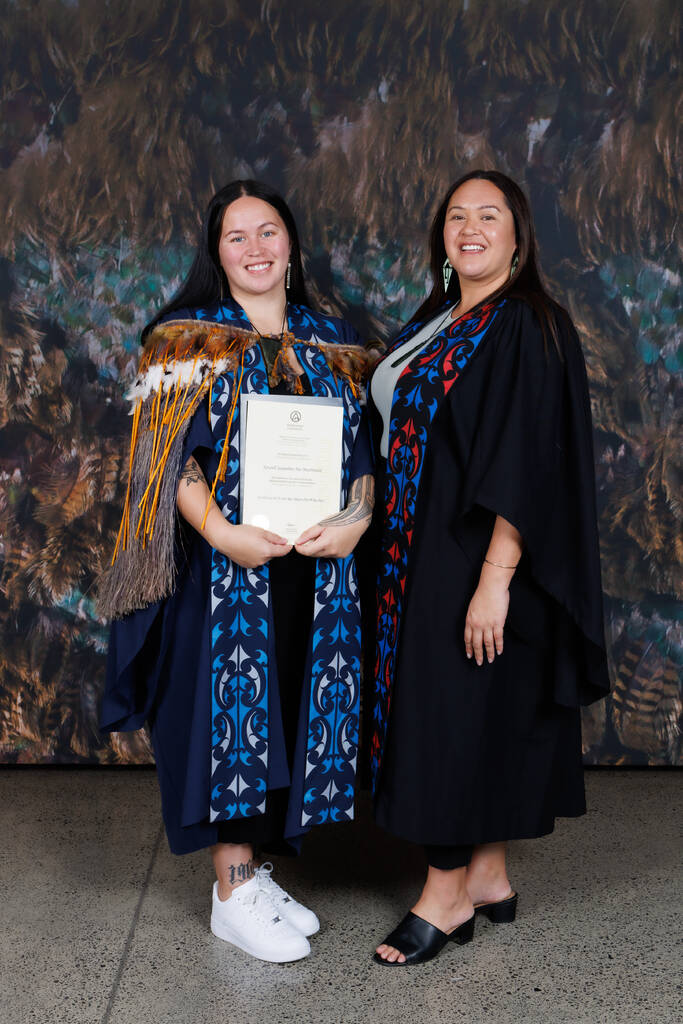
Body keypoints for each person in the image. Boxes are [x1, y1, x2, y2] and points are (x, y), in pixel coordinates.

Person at [98, 180, 375, 963]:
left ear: (292, 245)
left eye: (268, 232)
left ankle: (254, 875)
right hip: (224, 570)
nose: (255, 249)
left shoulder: (336, 345)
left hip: (314, 574)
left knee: (287, 703)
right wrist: (223, 532)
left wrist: (353, 522)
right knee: (229, 719)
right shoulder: (184, 342)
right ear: (214, 253)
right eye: (235, 236)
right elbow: (165, 461)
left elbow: (363, 460)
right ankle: (229, 890)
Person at [368, 169, 610, 966]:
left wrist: (495, 580)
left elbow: (528, 461)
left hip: (479, 560)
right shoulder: (441, 317)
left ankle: (442, 899)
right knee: (478, 714)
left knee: (453, 719)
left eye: (489, 216)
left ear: (517, 235)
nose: (469, 228)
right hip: (423, 551)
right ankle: (489, 876)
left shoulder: (527, 324)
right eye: (456, 216)